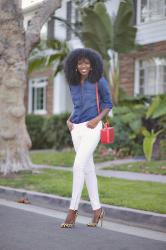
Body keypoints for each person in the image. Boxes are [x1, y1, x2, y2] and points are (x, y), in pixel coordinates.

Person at [60, 48, 113, 228]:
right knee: (88, 169)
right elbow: (77, 105)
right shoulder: (73, 83)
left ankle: (72, 211)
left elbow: (108, 103)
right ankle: (97, 210)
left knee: (78, 165)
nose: (83, 66)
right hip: (76, 128)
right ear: (75, 65)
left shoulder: (98, 80)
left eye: (86, 63)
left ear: (92, 65)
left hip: (92, 128)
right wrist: (69, 119)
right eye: (80, 63)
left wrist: (97, 119)